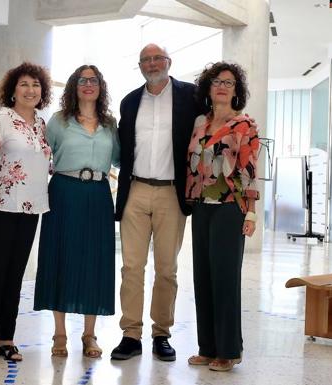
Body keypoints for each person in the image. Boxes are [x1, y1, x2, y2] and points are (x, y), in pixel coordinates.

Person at [111, 43, 199, 362]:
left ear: (168, 62)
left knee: (166, 269)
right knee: (132, 266)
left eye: (156, 58)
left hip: (172, 193)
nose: (151, 64)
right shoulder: (130, 101)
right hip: (135, 190)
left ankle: (162, 333)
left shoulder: (191, 95)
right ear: (140, 65)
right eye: (145, 60)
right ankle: (130, 334)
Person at [34, 64, 119, 358]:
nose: (88, 84)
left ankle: (89, 335)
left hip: (98, 195)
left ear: (100, 86)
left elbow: (120, 159)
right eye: (82, 80)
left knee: (95, 260)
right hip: (64, 192)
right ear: (74, 86)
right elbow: (44, 156)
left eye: (93, 80)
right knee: (61, 256)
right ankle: (59, 334)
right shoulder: (59, 121)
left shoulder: (110, 124)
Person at [0, 62, 52, 363]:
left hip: (31, 209)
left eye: (35, 84)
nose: (30, 90)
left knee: (15, 276)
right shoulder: (0, 120)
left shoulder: (40, 125)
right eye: (24, 84)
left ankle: (6, 339)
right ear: (12, 90)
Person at [185, 62, 259, 372]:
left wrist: (251, 211)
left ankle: (229, 350)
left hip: (230, 207)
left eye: (229, 82)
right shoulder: (200, 123)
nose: (222, 86)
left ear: (236, 91)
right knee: (202, 276)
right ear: (208, 87)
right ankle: (208, 346)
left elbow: (250, 169)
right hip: (201, 206)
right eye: (216, 81)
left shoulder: (245, 125)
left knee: (225, 278)